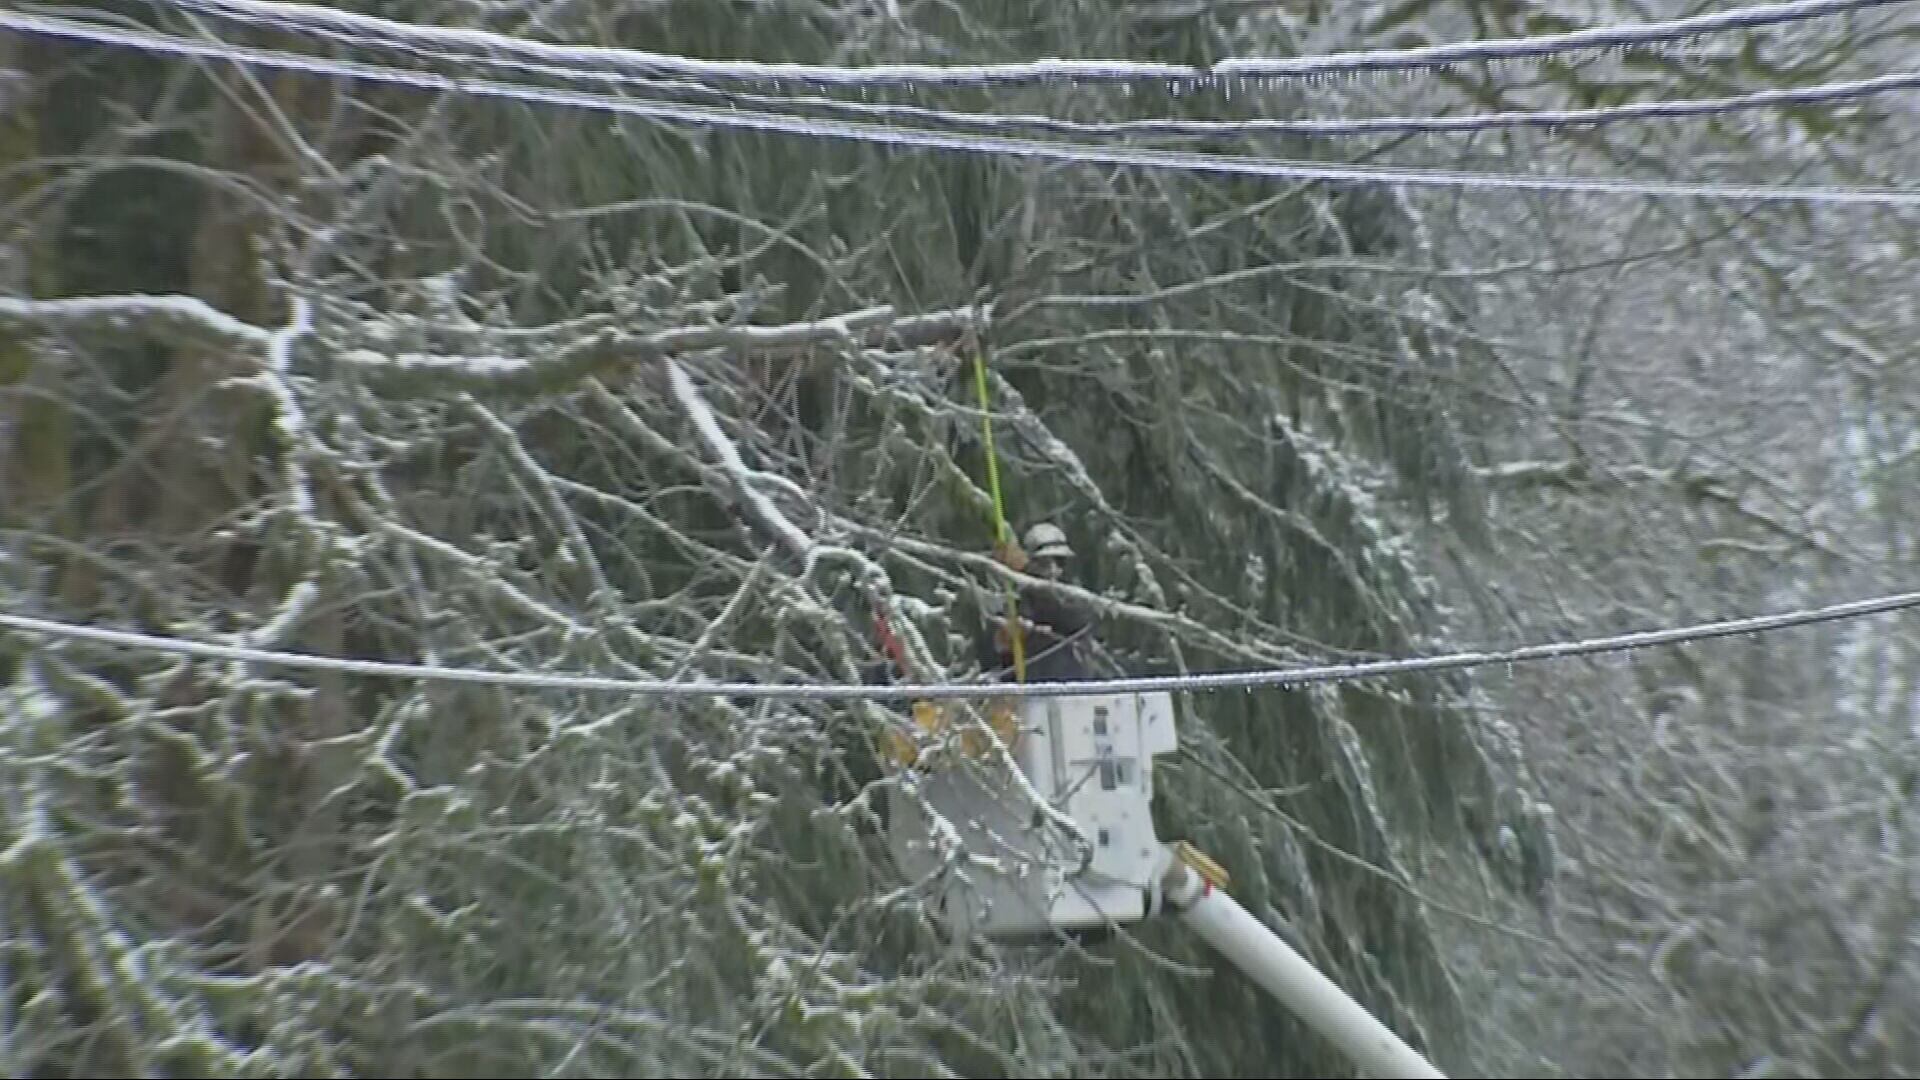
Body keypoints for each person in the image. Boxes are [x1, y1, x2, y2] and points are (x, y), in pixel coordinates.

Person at [976, 522, 1098, 683]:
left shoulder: (1073, 598)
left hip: (1070, 686)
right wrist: (1002, 639)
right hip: (1026, 690)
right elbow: (988, 655)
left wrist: (1024, 571)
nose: (1053, 569)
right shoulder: (1013, 600)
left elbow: (1071, 619)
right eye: (1044, 562)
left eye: (1059, 561)